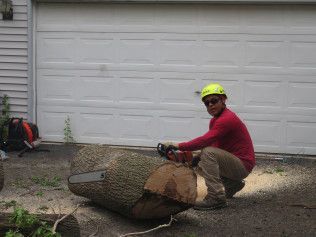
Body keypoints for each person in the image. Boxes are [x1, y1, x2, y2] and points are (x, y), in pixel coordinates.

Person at [161, 83, 255, 210]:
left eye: (214, 100)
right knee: (201, 163)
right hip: (235, 163)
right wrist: (196, 158)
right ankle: (232, 184)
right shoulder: (215, 119)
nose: (210, 105)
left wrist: (178, 146)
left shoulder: (227, 119)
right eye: (207, 103)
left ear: (223, 100)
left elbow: (205, 141)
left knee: (207, 152)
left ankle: (216, 198)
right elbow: (214, 143)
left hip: (243, 165)